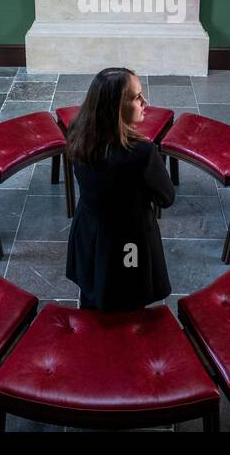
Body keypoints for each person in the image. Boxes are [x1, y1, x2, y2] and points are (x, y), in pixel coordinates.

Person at [64, 67, 175, 311]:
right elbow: (166, 197)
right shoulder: (142, 152)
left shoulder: (77, 132)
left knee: (92, 293)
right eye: (137, 97)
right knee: (130, 298)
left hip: (90, 231)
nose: (145, 102)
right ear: (116, 106)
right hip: (129, 242)